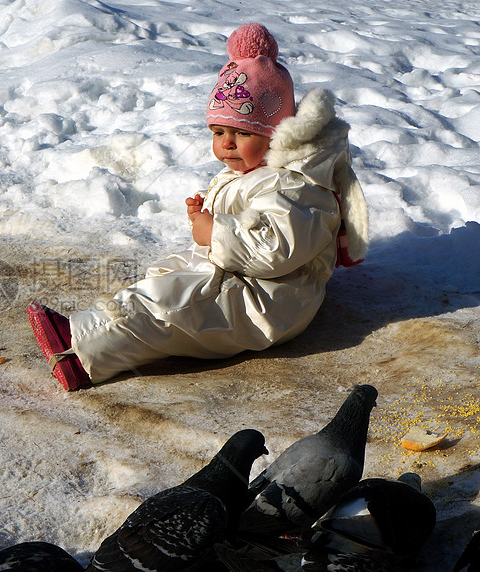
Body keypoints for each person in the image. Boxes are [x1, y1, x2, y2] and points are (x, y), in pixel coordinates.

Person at [28, 23, 369, 390]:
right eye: (219, 132)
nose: (227, 145)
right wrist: (206, 218)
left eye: (243, 133)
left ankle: (80, 350)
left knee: (172, 303)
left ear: (275, 135)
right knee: (166, 277)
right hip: (244, 274)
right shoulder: (259, 171)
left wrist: (215, 232)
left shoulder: (297, 186)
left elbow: (276, 250)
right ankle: (99, 337)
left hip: (271, 300)